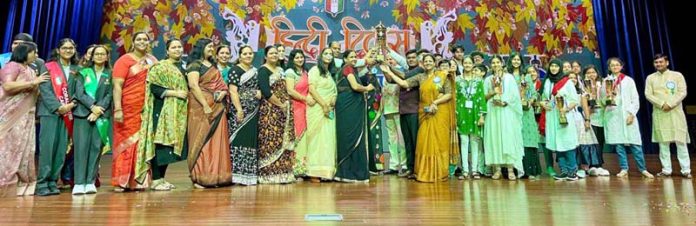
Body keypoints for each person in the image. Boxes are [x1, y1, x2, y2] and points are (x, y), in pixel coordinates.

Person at [383, 54, 453, 182]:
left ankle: (440, 170)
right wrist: (389, 72)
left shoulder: (442, 76)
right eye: (425, 61)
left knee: (439, 141)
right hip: (424, 113)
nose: (427, 63)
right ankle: (424, 170)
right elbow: (404, 83)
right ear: (423, 63)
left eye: (430, 61)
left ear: (434, 63)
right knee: (424, 143)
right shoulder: (420, 77)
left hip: (439, 111)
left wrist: (435, 103)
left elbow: (449, 94)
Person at [139, 39, 190, 191]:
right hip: (161, 110)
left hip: (178, 111)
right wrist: (175, 93)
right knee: (159, 144)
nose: (177, 49)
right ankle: (155, 179)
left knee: (169, 145)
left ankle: (161, 179)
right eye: (173, 47)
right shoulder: (160, 67)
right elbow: (154, 88)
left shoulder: (183, 67)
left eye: (179, 47)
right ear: (167, 51)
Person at [111, 32, 159, 192]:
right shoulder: (124, 60)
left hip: (147, 108)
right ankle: (121, 181)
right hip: (128, 107)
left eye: (145, 39)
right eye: (139, 39)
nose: (142, 42)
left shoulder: (152, 61)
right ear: (133, 42)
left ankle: (139, 180)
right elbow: (117, 86)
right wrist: (118, 109)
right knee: (126, 144)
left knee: (143, 143)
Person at [0, 42, 48, 196]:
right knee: (9, 148)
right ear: (24, 53)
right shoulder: (11, 66)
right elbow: (8, 86)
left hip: (27, 116)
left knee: (26, 148)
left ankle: (22, 183)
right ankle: (5, 182)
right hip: (11, 115)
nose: (36, 55)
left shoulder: (30, 70)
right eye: (34, 52)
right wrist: (34, 82)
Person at [186, 38, 233, 188]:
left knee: (216, 141)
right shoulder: (195, 65)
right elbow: (193, 86)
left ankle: (216, 175)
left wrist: (222, 92)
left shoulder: (212, 66)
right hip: (200, 108)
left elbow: (222, 85)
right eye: (209, 46)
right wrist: (205, 105)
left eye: (213, 47)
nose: (212, 49)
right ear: (201, 47)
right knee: (201, 140)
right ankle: (200, 177)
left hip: (217, 107)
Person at [36, 38, 80, 196]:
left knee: (61, 150)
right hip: (50, 113)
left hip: (68, 112)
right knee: (48, 149)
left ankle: (53, 181)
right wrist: (58, 107)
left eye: (71, 48)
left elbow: (79, 91)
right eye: (65, 48)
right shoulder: (48, 67)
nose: (68, 51)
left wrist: (71, 104)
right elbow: (45, 90)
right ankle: (42, 183)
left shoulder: (77, 69)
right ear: (58, 50)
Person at [600, 58, 653, 179]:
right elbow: (602, 101)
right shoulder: (605, 82)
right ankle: (624, 168)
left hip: (627, 115)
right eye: (612, 65)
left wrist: (631, 114)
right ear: (609, 67)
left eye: (617, 65)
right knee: (619, 145)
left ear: (621, 66)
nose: (615, 67)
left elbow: (635, 99)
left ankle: (643, 169)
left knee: (635, 144)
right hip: (613, 116)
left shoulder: (628, 80)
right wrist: (607, 99)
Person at [71, 45, 112, 195]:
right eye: (97, 54)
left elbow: (109, 95)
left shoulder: (110, 74)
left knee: (96, 149)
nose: (100, 56)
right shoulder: (82, 72)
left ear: (107, 57)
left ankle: (90, 181)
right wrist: (92, 107)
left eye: (103, 54)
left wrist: (98, 110)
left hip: (101, 116)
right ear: (92, 56)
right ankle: (79, 182)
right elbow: (79, 93)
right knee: (81, 148)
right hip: (83, 114)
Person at [645, 54, 691, 178]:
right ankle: (666, 170)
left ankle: (686, 170)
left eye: (661, 62)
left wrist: (670, 104)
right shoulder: (651, 78)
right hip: (660, 112)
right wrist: (661, 104)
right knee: (663, 143)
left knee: (680, 142)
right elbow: (648, 94)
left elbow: (682, 92)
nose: (658, 64)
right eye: (656, 62)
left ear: (667, 62)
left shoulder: (677, 75)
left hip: (675, 112)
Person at [257, 45, 296, 184]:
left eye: (276, 53)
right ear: (266, 56)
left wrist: (286, 107)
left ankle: (284, 173)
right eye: (271, 53)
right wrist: (280, 105)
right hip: (270, 111)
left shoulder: (281, 70)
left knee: (282, 141)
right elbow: (266, 92)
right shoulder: (263, 71)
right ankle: (268, 174)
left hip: (284, 112)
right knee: (270, 140)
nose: (274, 55)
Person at [335, 50, 374, 183]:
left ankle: (351, 172)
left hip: (351, 107)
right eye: (351, 57)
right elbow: (355, 86)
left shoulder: (353, 69)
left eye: (355, 57)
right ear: (344, 59)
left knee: (352, 136)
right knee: (350, 136)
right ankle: (349, 173)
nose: (354, 59)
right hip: (348, 107)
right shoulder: (347, 69)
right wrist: (367, 88)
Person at [483, 55, 524, 180]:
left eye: (497, 62)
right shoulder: (488, 79)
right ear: (491, 65)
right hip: (493, 111)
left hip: (507, 111)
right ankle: (497, 169)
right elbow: (484, 97)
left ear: (502, 63)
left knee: (508, 138)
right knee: (494, 138)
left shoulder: (509, 78)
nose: (495, 65)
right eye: (493, 63)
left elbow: (515, 96)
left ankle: (510, 169)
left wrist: (504, 102)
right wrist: (493, 93)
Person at [228, 45, 261, 185]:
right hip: (241, 112)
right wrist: (239, 109)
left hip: (254, 112)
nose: (248, 56)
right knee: (238, 140)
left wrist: (258, 92)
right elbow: (233, 91)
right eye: (245, 54)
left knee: (250, 141)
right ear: (240, 56)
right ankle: (236, 175)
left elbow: (257, 88)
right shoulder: (235, 70)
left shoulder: (255, 71)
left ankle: (249, 175)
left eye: (250, 53)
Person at [304, 48, 338, 182]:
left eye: (331, 54)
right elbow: (311, 89)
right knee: (316, 139)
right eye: (326, 53)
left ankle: (326, 171)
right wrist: (323, 104)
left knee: (328, 139)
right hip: (317, 108)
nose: (329, 56)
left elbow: (334, 90)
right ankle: (313, 172)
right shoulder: (315, 70)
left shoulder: (330, 73)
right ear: (321, 56)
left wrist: (333, 100)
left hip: (329, 110)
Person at [284, 49, 312, 177]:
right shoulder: (290, 72)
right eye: (297, 58)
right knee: (298, 135)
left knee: (306, 136)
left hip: (307, 107)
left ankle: (305, 168)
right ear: (292, 60)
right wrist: (305, 99)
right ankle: (296, 169)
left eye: (301, 57)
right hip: (296, 107)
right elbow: (290, 90)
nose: (300, 60)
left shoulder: (305, 72)